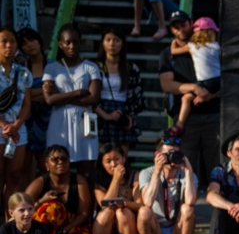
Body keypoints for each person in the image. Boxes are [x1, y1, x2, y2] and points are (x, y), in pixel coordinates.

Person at [160, 11, 220, 186]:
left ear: (191, 24)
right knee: (184, 166)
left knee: (216, 168)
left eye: (183, 25)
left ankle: (218, 209)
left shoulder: (211, 48)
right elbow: (167, 85)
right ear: (171, 30)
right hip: (187, 120)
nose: (180, 30)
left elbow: (228, 80)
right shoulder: (169, 55)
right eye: (175, 27)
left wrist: (210, 95)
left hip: (214, 115)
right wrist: (194, 88)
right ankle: (184, 210)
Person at [42, 25, 101, 178]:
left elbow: (94, 98)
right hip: (59, 121)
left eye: (75, 42)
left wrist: (60, 97)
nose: (72, 46)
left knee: (87, 171)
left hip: (84, 121)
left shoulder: (91, 67)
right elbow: (49, 100)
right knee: (57, 168)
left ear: (80, 43)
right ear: (61, 44)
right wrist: (78, 93)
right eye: (67, 42)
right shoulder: (51, 68)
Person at [137, 137, 198, 234]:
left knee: (188, 209)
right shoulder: (146, 173)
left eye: (176, 153)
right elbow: (147, 202)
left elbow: (191, 201)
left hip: (177, 231)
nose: (172, 157)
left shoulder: (187, 173)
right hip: (155, 231)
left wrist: (188, 172)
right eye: (169, 153)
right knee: (144, 211)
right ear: (157, 155)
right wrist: (157, 172)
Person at [26, 144, 92, 234]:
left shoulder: (79, 181)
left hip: (71, 226)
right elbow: (22, 208)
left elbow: (84, 214)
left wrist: (66, 229)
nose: (60, 162)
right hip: (43, 230)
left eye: (64, 158)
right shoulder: (39, 182)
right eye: (55, 159)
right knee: (52, 208)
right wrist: (41, 201)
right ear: (47, 165)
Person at [91, 143, 142, 234]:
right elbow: (105, 203)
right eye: (108, 161)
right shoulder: (98, 179)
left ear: (124, 159)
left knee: (122, 212)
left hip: (126, 226)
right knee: (107, 212)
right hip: (105, 228)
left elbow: (140, 204)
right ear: (102, 163)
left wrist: (123, 204)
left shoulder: (134, 176)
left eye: (117, 159)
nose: (113, 164)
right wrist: (115, 180)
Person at [167, 17, 220, 138]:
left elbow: (174, 51)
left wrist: (173, 42)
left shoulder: (193, 46)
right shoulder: (217, 46)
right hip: (217, 80)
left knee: (186, 99)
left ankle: (179, 125)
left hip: (204, 81)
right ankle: (210, 96)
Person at [94, 29, 145, 151]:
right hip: (100, 113)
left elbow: (137, 95)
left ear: (122, 44)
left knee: (121, 158)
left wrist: (130, 119)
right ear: (102, 43)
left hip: (123, 111)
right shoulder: (95, 67)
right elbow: (90, 97)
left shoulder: (131, 68)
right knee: (101, 158)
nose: (112, 44)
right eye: (108, 40)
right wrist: (106, 115)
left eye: (116, 40)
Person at [0, 27, 32, 202]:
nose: (8, 45)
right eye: (4, 41)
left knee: (14, 176)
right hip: (1, 127)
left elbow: (27, 104)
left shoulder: (24, 72)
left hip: (18, 128)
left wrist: (16, 125)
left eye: (12, 41)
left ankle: (10, 221)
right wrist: (5, 125)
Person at [16, 27, 51, 177]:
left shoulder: (53, 65)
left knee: (46, 162)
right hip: (26, 118)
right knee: (24, 164)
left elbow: (57, 94)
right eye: (24, 43)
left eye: (32, 40)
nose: (29, 45)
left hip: (49, 118)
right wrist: (43, 93)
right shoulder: (20, 68)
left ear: (39, 41)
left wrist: (29, 93)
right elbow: (19, 96)